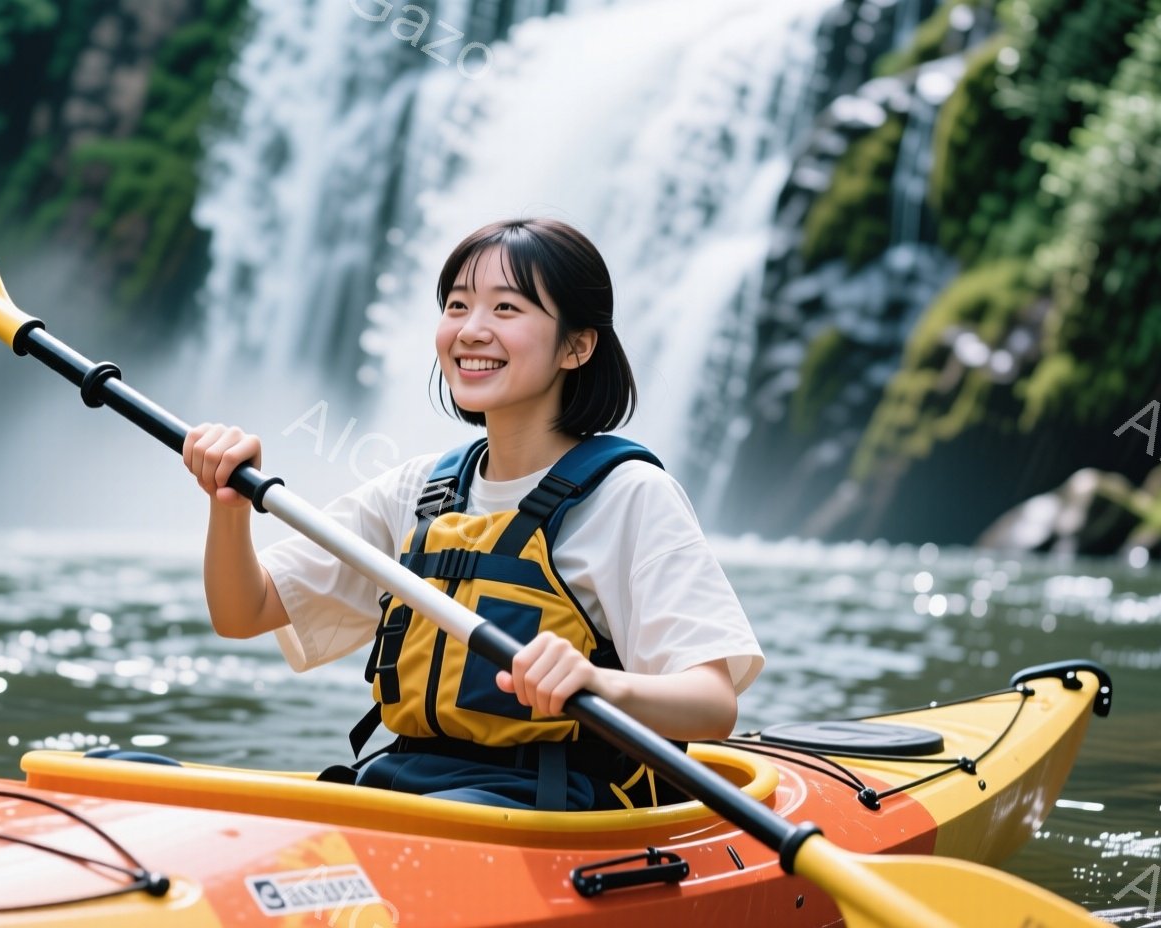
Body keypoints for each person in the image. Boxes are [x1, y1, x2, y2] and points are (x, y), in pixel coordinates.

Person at [182, 218, 763, 812]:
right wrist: (229, 507)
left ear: (577, 346)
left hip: (551, 809)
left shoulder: (630, 495)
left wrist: (594, 682)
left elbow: (713, 704)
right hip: (406, 789)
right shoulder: (418, 490)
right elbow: (243, 611)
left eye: (506, 308)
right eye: (457, 306)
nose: (470, 330)